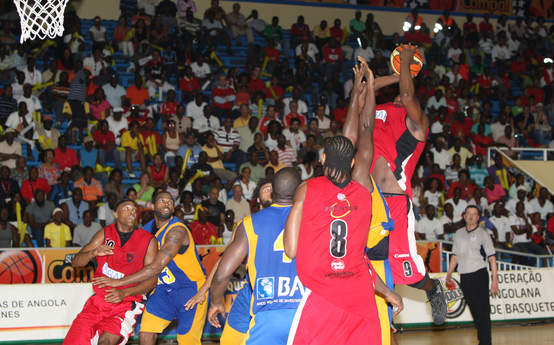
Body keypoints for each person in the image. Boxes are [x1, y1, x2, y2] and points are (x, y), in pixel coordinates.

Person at [283, 62, 402, 345]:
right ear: (352, 163)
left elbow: (290, 249)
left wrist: (356, 90)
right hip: (359, 293)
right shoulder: (361, 190)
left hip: (321, 291)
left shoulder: (306, 189)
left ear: (322, 160)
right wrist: (368, 87)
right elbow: (365, 129)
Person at [370, 45, 447, 324]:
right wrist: (396, 72)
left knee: (408, 274)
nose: (404, 97)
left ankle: (433, 288)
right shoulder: (378, 110)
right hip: (367, 199)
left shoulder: (418, 123)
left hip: (394, 202)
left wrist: (405, 67)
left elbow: (406, 93)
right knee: (356, 264)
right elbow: (365, 87)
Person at [93, 191, 207, 345]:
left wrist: (117, 283)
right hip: (163, 291)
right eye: (162, 200)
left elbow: (155, 267)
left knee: (187, 341)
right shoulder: (146, 231)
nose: (167, 203)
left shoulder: (177, 231)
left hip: (190, 290)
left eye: (170, 201)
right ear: (153, 205)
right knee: (146, 333)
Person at [206, 168, 302, 344]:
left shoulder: (249, 224)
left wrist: (216, 302)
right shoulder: (313, 219)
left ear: (273, 191)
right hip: (305, 311)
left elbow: (222, 272)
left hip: (268, 310)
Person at [64, 199, 157, 345]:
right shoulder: (104, 234)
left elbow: (151, 281)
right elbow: (76, 262)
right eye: (127, 208)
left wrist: (124, 293)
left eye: (134, 209)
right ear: (116, 214)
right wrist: (92, 253)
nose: (132, 212)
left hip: (126, 302)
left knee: (105, 342)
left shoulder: (148, 240)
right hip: (99, 300)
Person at [446, 205, 498, 345]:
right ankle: (482, 337)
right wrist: (449, 274)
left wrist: (494, 281)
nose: (470, 216)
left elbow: (492, 257)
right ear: (464, 216)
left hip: (479, 274)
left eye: (474, 214)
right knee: (474, 309)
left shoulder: (483, 234)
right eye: (468, 213)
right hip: (465, 276)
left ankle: (485, 341)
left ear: (478, 217)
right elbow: (455, 256)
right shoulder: (458, 233)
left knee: (483, 310)